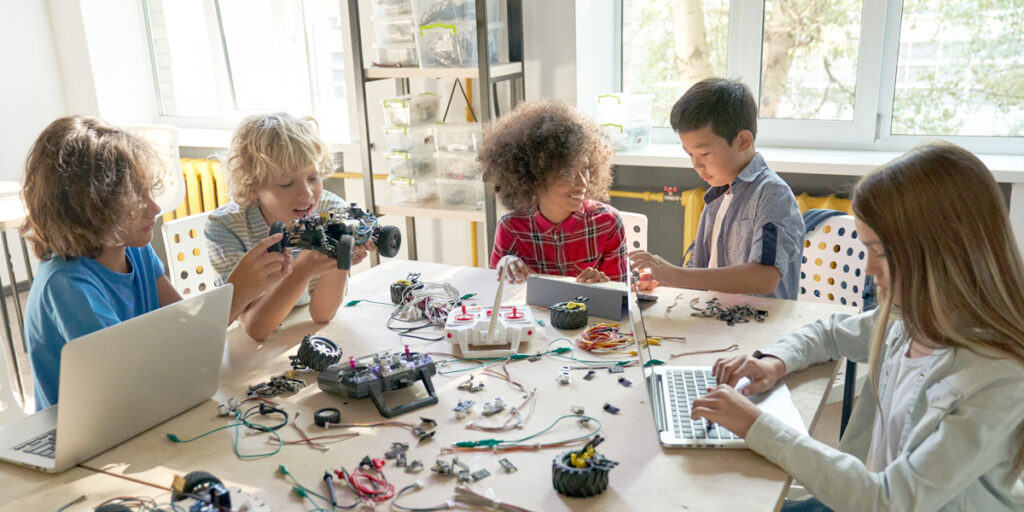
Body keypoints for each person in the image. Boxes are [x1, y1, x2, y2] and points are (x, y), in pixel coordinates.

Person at [691, 142, 1024, 511]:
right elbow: (829, 331)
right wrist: (774, 361)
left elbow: (890, 500)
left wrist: (757, 425)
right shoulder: (912, 322)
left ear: (943, 251)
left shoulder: (998, 377)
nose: (868, 269)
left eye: (879, 252)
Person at [21, 116, 288, 409]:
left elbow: (183, 327)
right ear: (85, 208)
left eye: (150, 191)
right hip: (88, 435)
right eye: (135, 198)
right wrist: (237, 293)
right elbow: (136, 379)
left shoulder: (134, 250)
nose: (155, 207)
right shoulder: (66, 286)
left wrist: (245, 289)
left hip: (141, 409)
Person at [629, 78, 804, 299]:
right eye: (690, 154)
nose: (696, 165)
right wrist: (662, 279)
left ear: (743, 141)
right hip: (715, 321)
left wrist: (675, 274)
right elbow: (699, 274)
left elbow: (765, 277)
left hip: (757, 328)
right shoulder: (717, 197)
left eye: (704, 154)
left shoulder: (772, 195)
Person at [206, 113, 372, 341]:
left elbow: (323, 315)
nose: (306, 193)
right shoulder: (226, 226)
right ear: (253, 186)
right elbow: (256, 329)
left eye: (313, 178)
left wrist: (340, 256)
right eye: (286, 184)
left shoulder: (331, 209)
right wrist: (303, 269)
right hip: (252, 340)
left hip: (298, 327)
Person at [480, 99, 626, 284]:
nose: (582, 183)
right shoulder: (511, 228)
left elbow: (620, 295)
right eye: (567, 173)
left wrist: (602, 287)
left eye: (585, 169)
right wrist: (505, 264)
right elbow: (496, 292)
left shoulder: (607, 223)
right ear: (535, 175)